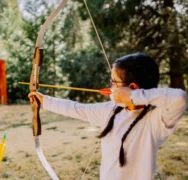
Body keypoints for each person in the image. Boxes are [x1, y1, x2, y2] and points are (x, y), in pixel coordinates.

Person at [28, 53, 188, 180]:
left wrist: (134, 96)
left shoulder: (156, 120)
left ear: (132, 88)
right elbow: (76, 108)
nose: (110, 86)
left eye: (114, 82)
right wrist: (44, 100)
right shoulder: (111, 110)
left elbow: (180, 98)